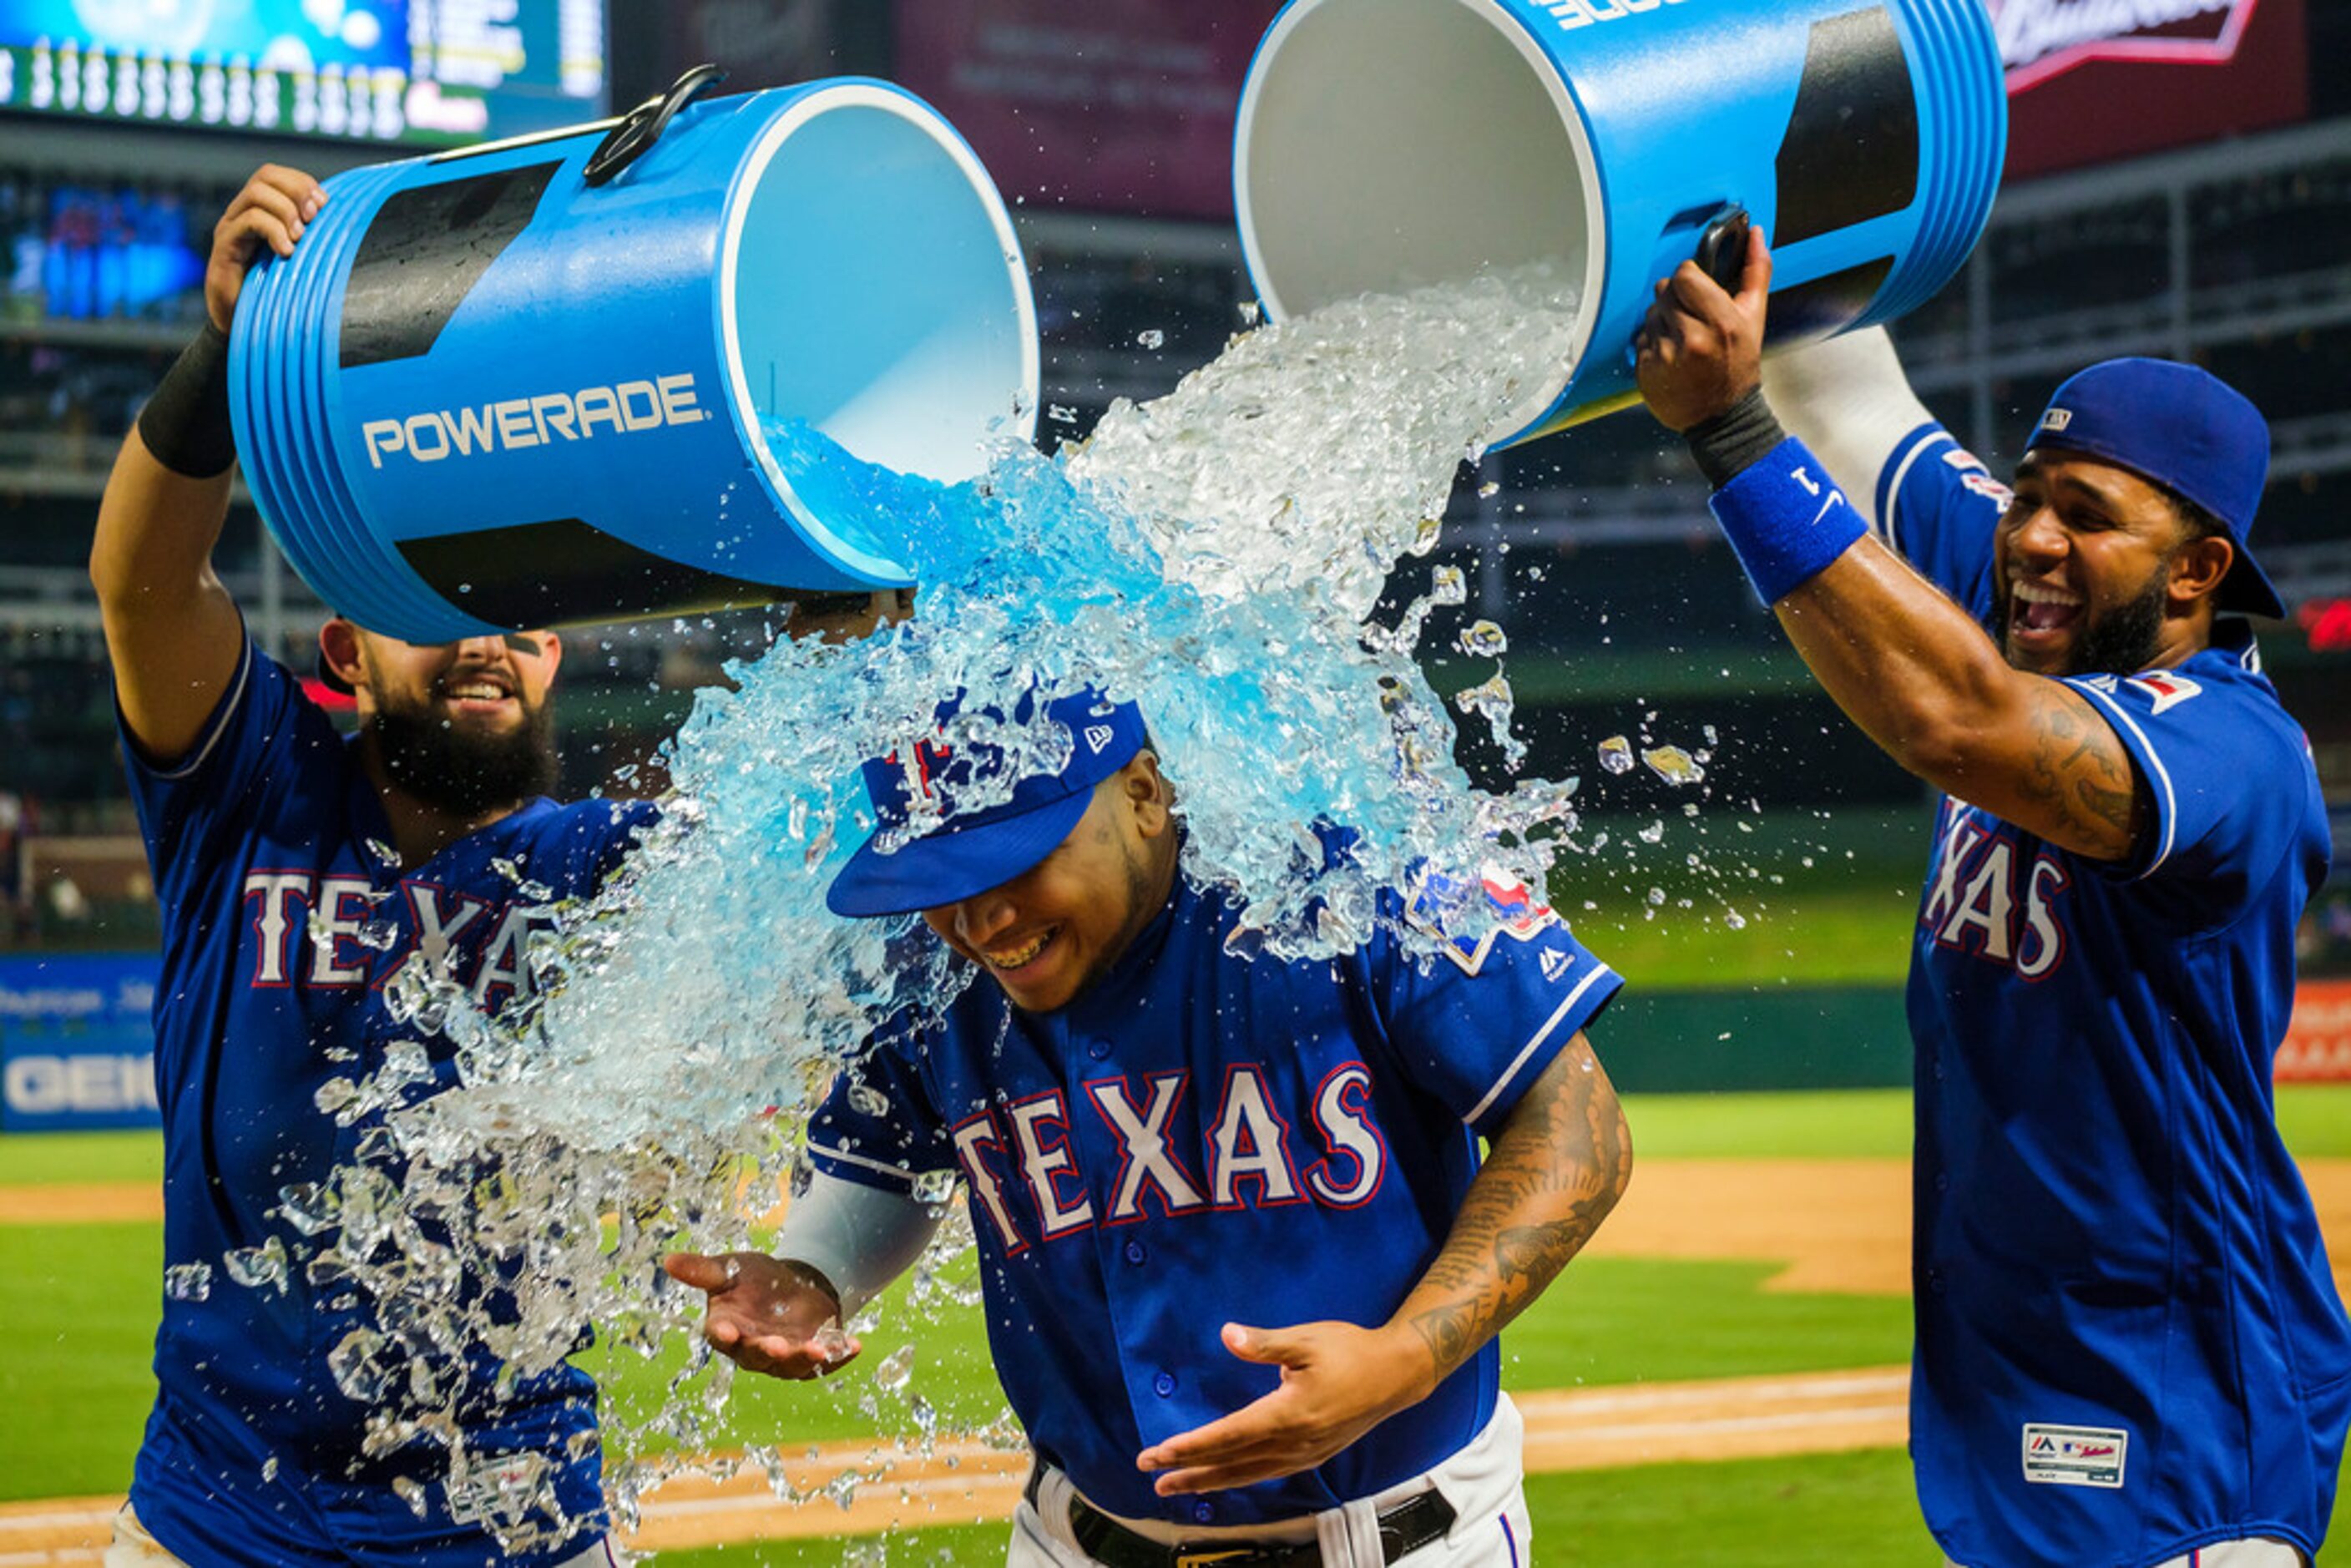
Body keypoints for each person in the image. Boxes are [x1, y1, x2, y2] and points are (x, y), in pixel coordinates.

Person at [1634, 230, 2351, 1567]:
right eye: (2028, 492)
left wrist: (1728, 434)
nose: (2032, 536)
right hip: (2024, 1376)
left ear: (2197, 572)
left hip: (2178, 1415)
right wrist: (1766, 167)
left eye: (2087, 513)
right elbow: (1846, 395)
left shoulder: (2232, 751)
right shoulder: (2041, 607)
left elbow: (1957, 727)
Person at [665, 687, 1633, 1565]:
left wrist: (1407, 1356)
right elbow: (886, 1163)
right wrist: (814, 1273)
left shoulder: (1344, 878)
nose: (978, 918)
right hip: (1074, 1540)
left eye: (1016, 858)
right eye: (933, 879)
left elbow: (1575, 1126)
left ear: (1142, 792)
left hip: (1403, 1540)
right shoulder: (919, 970)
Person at [91, 164, 651, 1566]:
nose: (487, 645)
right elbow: (142, 585)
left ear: (556, 660)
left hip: (517, 1514)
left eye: (522, 625)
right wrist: (228, 354)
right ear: (346, 650)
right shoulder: (256, 782)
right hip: (218, 1515)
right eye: (442, 612)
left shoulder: (595, 866)